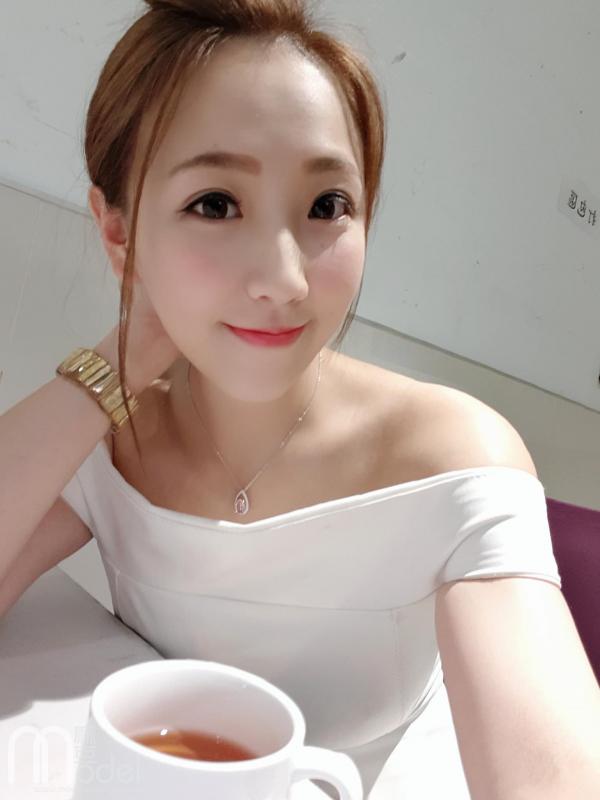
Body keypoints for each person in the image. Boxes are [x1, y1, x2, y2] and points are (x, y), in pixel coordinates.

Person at [1, 2, 599, 798]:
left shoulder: (452, 456)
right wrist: (121, 359)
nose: (284, 282)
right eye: (215, 203)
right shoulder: (112, 436)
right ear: (119, 234)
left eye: (327, 207)